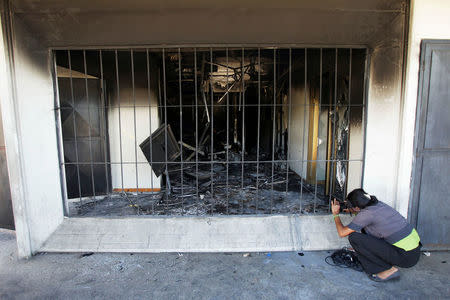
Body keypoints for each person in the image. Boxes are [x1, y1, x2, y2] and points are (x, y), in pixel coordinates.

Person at [331, 188, 421, 282]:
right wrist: (354, 210)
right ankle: (376, 257)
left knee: (354, 237)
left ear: (357, 208)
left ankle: (387, 270)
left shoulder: (367, 214)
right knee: (365, 229)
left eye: (351, 206)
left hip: (406, 258)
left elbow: (342, 233)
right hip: (413, 251)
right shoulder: (378, 204)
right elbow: (366, 221)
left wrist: (335, 214)